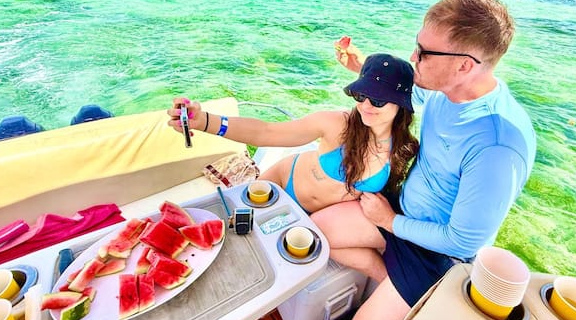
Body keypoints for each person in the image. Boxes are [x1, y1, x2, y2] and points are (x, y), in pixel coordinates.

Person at [303, 0, 537, 320]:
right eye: (417, 44)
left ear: (464, 65)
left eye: (424, 53)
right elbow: (410, 90)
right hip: (401, 213)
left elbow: (462, 241)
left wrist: (388, 222)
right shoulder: (449, 88)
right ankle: (398, 297)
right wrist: (362, 67)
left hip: (436, 255)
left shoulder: (498, 144)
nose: (413, 57)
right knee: (316, 232)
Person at [166, 53, 419, 214]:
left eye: (378, 100)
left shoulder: (404, 149)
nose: (365, 105)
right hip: (281, 184)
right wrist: (204, 121)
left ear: (402, 104)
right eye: (360, 95)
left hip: (316, 218)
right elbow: (266, 132)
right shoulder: (337, 124)